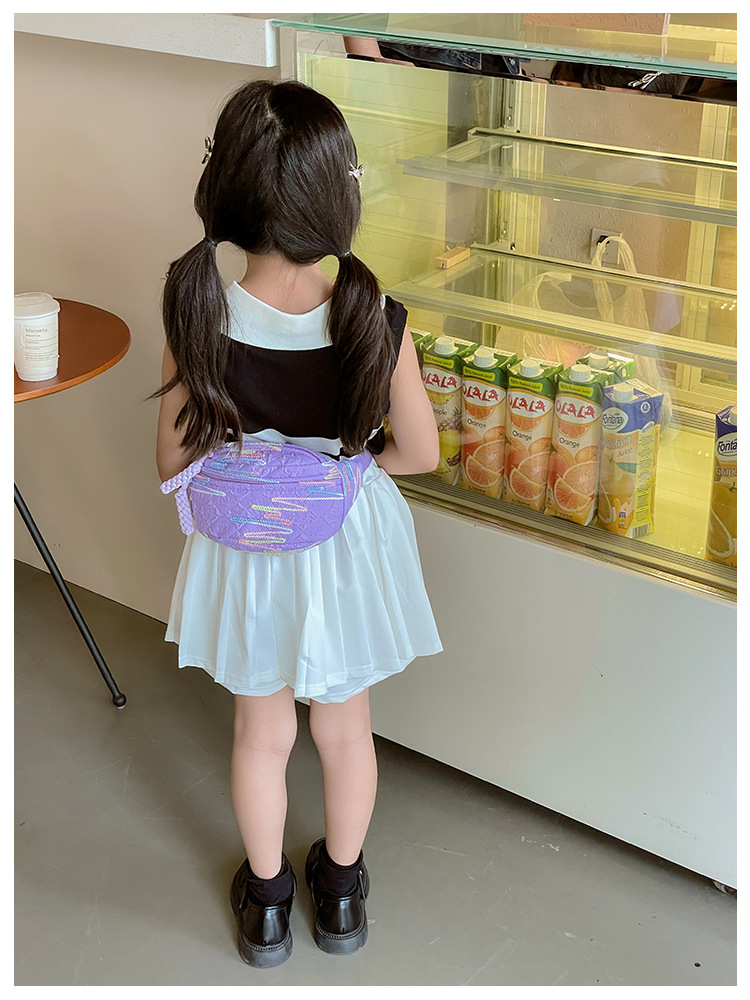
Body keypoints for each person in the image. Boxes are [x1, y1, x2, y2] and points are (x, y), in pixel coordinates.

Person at [154, 79, 442, 968]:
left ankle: (269, 906)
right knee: (344, 731)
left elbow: (171, 464)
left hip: (249, 553)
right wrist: (348, 470)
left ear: (225, 190)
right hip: (343, 547)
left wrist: (256, 469)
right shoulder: (375, 316)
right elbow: (421, 451)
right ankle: (342, 896)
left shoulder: (197, 310)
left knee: (261, 733)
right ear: (339, 195)